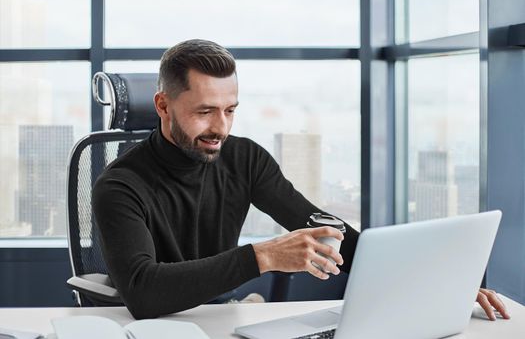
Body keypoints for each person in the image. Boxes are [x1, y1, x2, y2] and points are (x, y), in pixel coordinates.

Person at [93, 39, 510, 321]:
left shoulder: (244, 157)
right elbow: (143, 293)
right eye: (205, 111)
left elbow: (320, 225)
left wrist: (437, 279)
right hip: (157, 328)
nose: (221, 127)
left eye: (231, 109)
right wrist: (261, 256)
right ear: (163, 105)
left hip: (221, 318)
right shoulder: (121, 185)